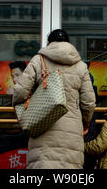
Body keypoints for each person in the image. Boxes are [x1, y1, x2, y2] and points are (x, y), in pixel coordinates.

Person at [12, 29, 96, 169]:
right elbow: (89, 102)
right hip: (72, 130)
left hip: (42, 126)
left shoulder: (38, 60)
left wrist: (20, 110)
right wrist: (85, 122)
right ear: (68, 44)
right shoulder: (81, 66)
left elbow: (20, 91)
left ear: (49, 43)